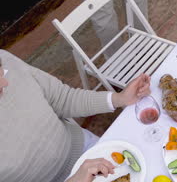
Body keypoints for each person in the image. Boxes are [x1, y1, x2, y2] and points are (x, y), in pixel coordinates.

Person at [0, 50, 151, 181]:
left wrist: (119, 98)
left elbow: (62, 99)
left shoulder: (5, 58)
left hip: (86, 148)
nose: (5, 83)